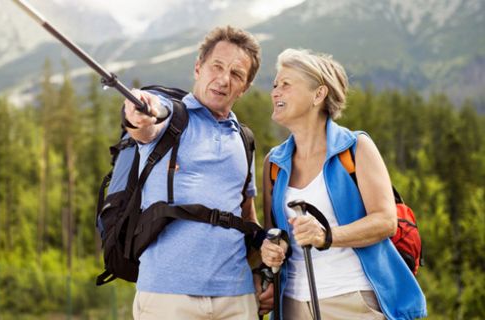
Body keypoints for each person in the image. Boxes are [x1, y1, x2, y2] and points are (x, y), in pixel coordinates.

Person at [258, 48, 427, 319]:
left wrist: (326, 236)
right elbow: (273, 232)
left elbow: (385, 221)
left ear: (318, 94)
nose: (275, 92)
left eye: (286, 84)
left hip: (353, 299)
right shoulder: (274, 163)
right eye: (275, 85)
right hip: (291, 303)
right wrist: (271, 249)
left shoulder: (355, 148)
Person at [123, 26, 263, 320]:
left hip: (237, 298)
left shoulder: (244, 140)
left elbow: (248, 217)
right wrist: (139, 111)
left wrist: (261, 273)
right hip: (167, 296)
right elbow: (148, 122)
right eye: (217, 66)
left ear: (245, 86)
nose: (224, 80)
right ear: (198, 67)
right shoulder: (172, 118)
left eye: (236, 74)